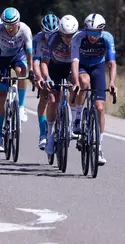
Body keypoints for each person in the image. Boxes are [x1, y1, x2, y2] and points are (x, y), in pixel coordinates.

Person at [70, 13, 116, 166]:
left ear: (101, 31)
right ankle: (77, 117)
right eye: (90, 32)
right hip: (82, 66)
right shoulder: (78, 38)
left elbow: (112, 63)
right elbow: (75, 62)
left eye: (96, 33)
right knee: (84, 82)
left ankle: (99, 147)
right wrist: (75, 81)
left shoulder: (108, 38)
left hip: (98, 67)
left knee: (100, 108)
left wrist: (112, 83)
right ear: (85, 30)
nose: (92, 36)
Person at [0, 7, 33, 153]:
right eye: (6, 25)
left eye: (12, 25)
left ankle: (20, 107)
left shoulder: (25, 30)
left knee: (22, 71)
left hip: (17, 56)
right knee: (1, 94)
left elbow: (29, 53)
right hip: (1, 58)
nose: (9, 28)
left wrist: (32, 69)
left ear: (18, 23)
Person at [41, 14, 78, 154]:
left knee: (78, 86)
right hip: (55, 70)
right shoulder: (53, 39)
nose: (68, 39)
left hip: (70, 69)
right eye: (64, 36)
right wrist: (47, 78)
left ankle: (74, 121)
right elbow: (44, 63)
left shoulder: (79, 39)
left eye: (71, 36)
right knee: (53, 100)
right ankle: (50, 136)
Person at [32, 14, 60, 149]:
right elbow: (36, 62)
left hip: (59, 66)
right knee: (44, 96)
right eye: (47, 34)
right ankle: (43, 134)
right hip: (43, 66)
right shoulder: (38, 39)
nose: (50, 37)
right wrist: (39, 78)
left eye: (53, 34)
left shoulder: (63, 37)